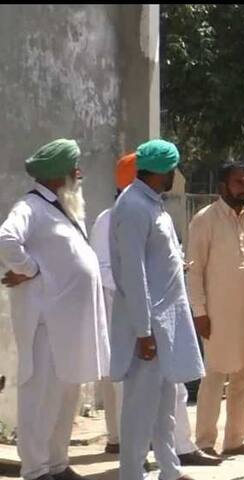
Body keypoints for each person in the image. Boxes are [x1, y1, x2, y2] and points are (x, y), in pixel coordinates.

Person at [0, 139, 109, 480]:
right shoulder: (31, 207)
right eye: (74, 167)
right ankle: (35, 470)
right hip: (44, 323)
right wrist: (29, 269)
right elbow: (4, 240)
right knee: (40, 394)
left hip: (69, 325)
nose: (80, 173)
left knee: (66, 394)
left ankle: (58, 463)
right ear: (59, 173)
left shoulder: (62, 208)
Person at [110, 139, 210, 480]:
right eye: (172, 170)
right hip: (148, 325)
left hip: (167, 322)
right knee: (139, 406)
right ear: (159, 171)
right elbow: (133, 274)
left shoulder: (153, 205)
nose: (174, 176)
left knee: (166, 402)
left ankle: (169, 472)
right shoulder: (133, 207)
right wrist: (143, 331)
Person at [188, 161, 244, 457]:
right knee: (214, 374)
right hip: (217, 312)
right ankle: (205, 443)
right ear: (222, 186)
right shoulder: (204, 220)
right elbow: (194, 272)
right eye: (239, 183)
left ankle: (235, 441)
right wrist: (199, 312)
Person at [93, 153, 136, 455]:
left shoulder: (144, 214)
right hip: (116, 304)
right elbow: (101, 269)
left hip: (139, 303)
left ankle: (129, 435)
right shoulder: (106, 220)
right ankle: (119, 437)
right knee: (118, 373)